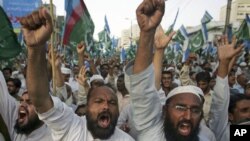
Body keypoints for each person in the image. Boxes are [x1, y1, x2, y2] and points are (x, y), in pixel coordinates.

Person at [20, 7, 134, 141]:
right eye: (98, 101)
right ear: (87, 106)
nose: (106, 106)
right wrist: (35, 48)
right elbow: (39, 99)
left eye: (112, 102)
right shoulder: (71, 126)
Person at [124, 0, 215, 140]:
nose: (188, 116)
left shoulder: (208, 137)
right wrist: (147, 33)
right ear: (165, 111)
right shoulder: (152, 133)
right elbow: (143, 89)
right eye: (180, 108)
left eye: (195, 110)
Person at [208, 36, 244, 141]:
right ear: (230, 116)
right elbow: (220, 103)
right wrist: (223, 63)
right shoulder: (225, 133)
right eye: (244, 110)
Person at [0, 71, 53, 141]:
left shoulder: (53, 137)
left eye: (29, 102)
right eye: (21, 101)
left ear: (44, 110)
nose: (22, 105)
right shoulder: (16, 122)